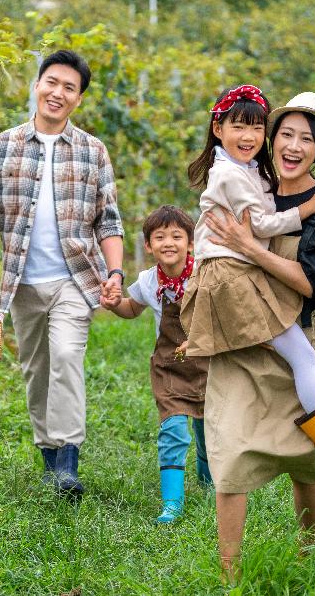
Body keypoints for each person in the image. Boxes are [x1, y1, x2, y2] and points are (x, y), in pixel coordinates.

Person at [199, 91, 315, 579]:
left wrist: (251, 248)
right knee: (233, 451)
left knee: (305, 459)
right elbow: (216, 242)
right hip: (246, 336)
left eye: (307, 139)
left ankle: (310, 551)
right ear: (270, 140)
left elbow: (311, 283)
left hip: (303, 327)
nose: (294, 146)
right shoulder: (251, 183)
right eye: (287, 134)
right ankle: (229, 576)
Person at [0, 50, 125, 499]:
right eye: (52, 83)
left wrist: (114, 272)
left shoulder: (92, 151)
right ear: (37, 85)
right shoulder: (4, 146)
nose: (58, 93)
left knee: (65, 360)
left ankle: (69, 463)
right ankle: (50, 458)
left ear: (79, 99)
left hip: (76, 280)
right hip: (21, 283)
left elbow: (108, 221)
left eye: (69, 88)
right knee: (36, 370)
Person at [102, 205, 211, 524]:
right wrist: (114, 305)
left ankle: (209, 484)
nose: (168, 243)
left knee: (208, 430)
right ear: (148, 245)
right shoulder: (149, 281)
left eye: (177, 236)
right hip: (170, 367)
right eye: (159, 237)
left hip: (209, 364)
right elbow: (131, 308)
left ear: (191, 243)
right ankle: (172, 504)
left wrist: (200, 338)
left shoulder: (205, 273)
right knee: (174, 431)